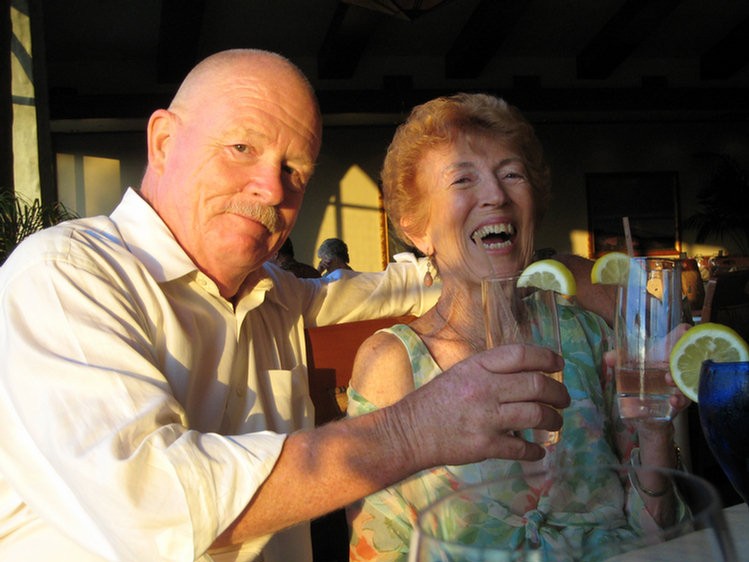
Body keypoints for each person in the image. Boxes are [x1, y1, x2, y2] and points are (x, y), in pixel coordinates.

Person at [0, 50, 571, 562]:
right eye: (242, 148)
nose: (272, 189)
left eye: (294, 170)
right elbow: (154, 506)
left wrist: (572, 286)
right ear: (164, 142)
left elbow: (401, 283)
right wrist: (410, 432)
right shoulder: (64, 275)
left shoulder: (275, 295)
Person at [346, 93, 690, 561]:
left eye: (512, 174)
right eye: (463, 179)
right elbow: (377, 547)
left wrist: (654, 432)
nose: (496, 195)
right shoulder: (393, 364)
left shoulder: (589, 337)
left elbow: (658, 533)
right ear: (416, 228)